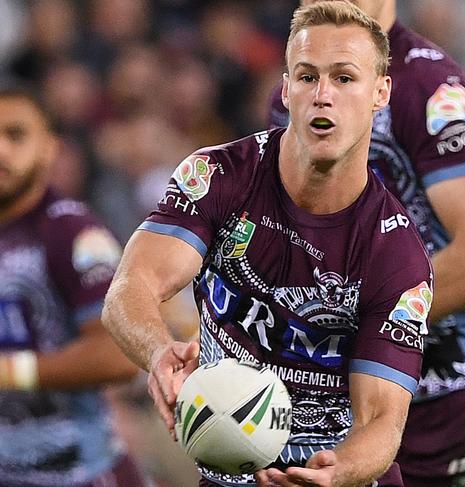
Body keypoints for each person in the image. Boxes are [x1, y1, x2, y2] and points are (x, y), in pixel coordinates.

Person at [101, 3, 434, 487]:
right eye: (306, 77)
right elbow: (130, 289)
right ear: (285, 88)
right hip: (225, 465)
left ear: (380, 92)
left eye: (344, 78)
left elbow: (382, 421)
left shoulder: (397, 255)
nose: (323, 95)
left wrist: (337, 471)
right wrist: (157, 351)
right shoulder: (219, 177)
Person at [267, 2, 465, 486]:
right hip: (343, 418)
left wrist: (361, 325)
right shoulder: (292, 92)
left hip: (454, 410)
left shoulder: (429, 89)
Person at [0, 84, 149, 486]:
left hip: (78, 472)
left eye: (16, 135)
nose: (1, 150)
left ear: (49, 148)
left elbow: (118, 354)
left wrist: (10, 371)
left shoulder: (72, 231)